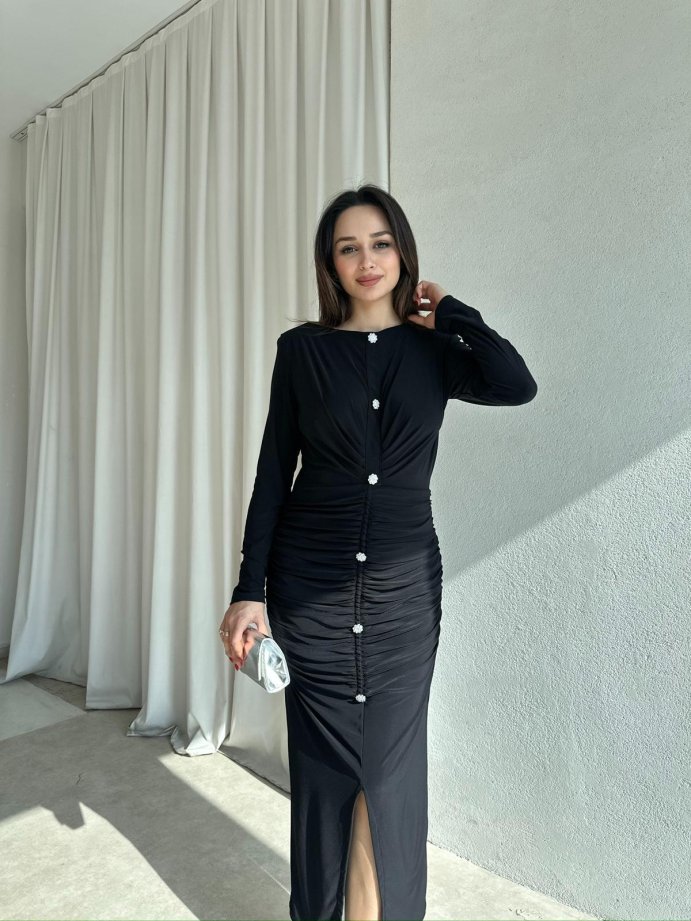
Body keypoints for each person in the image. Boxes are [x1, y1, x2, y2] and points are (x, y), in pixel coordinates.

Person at [218, 184, 538, 921]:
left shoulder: (436, 351)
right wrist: (248, 590)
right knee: (327, 776)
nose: (367, 260)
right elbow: (273, 474)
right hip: (310, 592)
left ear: (402, 252)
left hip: (402, 600)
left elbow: (516, 384)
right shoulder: (302, 352)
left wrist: (449, 310)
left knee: (388, 779)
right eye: (348, 247)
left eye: (380, 243)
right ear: (329, 264)